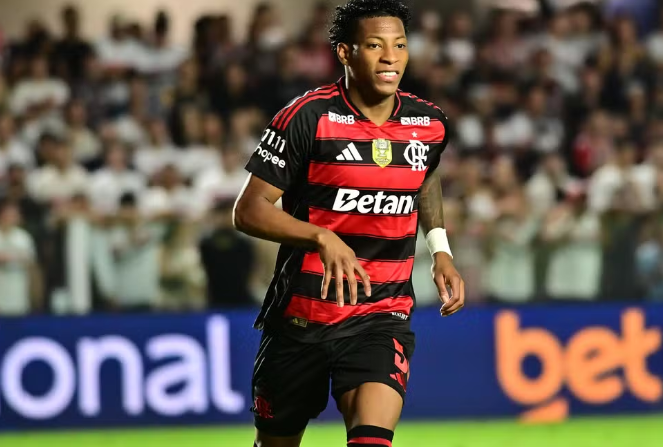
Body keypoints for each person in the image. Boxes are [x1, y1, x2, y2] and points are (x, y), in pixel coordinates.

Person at [233, 1, 465, 446]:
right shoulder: (308, 117)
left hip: (381, 314)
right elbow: (248, 209)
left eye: (400, 45)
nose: (390, 57)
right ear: (345, 52)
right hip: (303, 318)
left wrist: (440, 249)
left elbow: (424, 176)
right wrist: (321, 237)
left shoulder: (430, 123)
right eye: (375, 46)